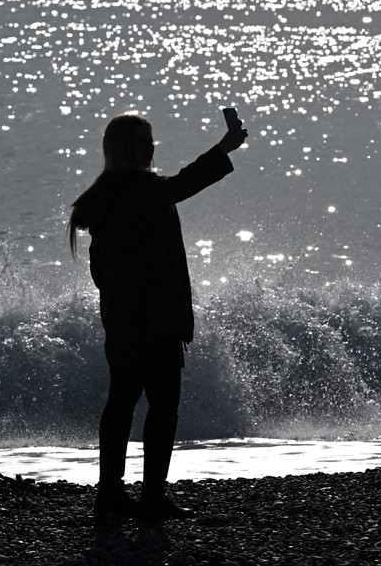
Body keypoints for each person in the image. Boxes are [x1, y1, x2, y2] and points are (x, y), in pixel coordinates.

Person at [68, 112, 248, 520]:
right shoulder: (139, 189)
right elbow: (183, 184)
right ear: (122, 148)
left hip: (125, 314)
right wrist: (224, 148)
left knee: (123, 402)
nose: (150, 147)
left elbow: (99, 268)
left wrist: (119, 297)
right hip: (153, 317)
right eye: (141, 141)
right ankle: (147, 497)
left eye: (151, 140)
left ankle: (112, 495)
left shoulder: (106, 193)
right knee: (160, 404)